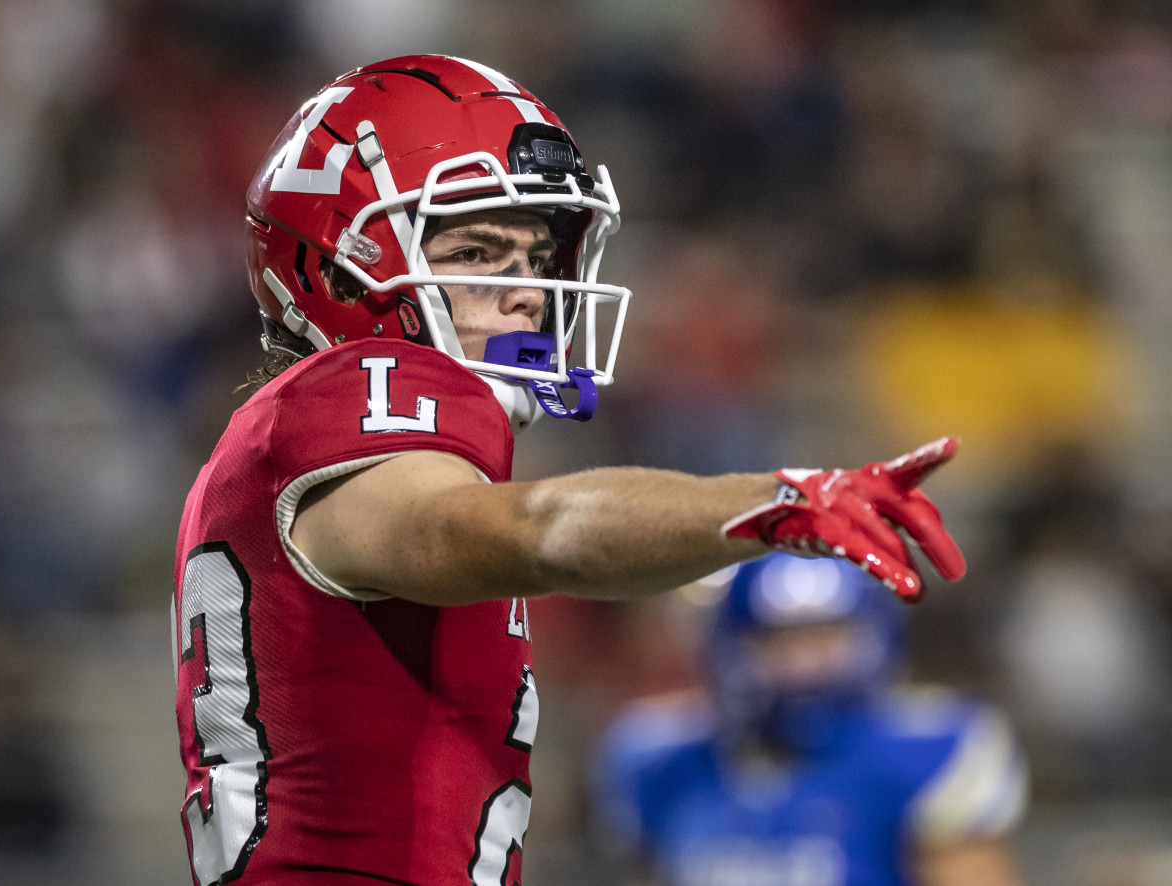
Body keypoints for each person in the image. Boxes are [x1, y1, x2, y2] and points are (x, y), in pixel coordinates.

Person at [172, 54, 967, 885]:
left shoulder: (281, 437)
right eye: (476, 250)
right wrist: (776, 502)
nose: (525, 293)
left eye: (537, 253)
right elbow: (541, 534)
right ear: (340, 269)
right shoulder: (350, 400)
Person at [595, 552, 1028, 886]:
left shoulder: (929, 748)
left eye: (827, 637)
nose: (807, 665)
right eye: (782, 641)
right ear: (733, 646)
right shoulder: (662, 757)